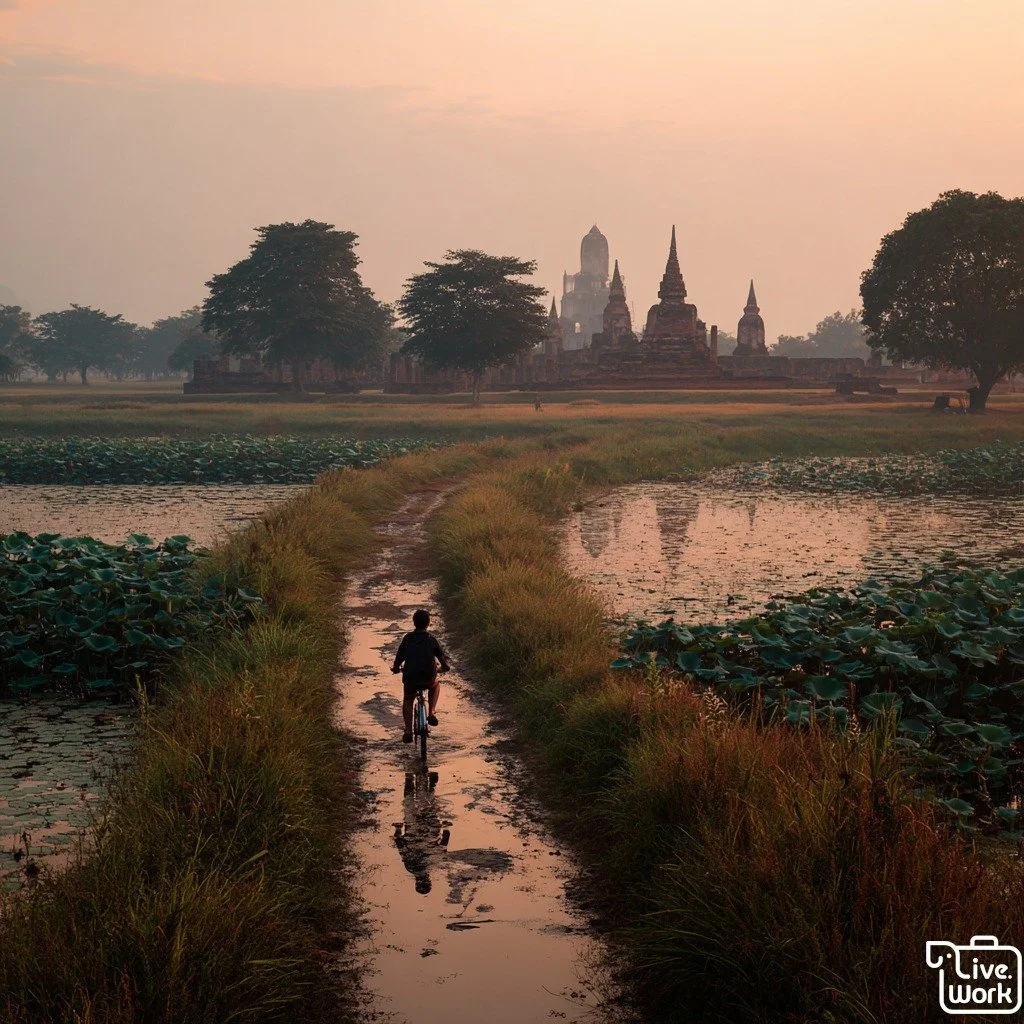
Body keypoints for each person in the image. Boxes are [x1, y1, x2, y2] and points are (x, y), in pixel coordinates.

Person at [391, 609, 450, 743]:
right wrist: (445, 667)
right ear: (428, 624)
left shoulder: (408, 639)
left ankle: (408, 731)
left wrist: (396, 668)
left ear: (414, 623)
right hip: (428, 677)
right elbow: (441, 658)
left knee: (408, 698)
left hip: (411, 678)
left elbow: (399, 657)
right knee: (435, 684)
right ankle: (431, 712)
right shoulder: (431, 639)